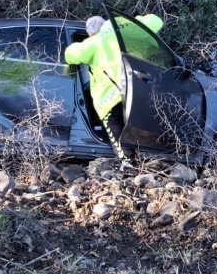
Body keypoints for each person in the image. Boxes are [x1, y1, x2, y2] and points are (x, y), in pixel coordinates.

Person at [65, 14, 164, 167]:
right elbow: (157, 21)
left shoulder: (94, 42)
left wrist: (79, 44)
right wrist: (133, 20)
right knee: (134, 120)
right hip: (139, 86)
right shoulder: (124, 31)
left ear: (91, 33)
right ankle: (149, 153)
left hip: (113, 93)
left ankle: (127, 162)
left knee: (112, 121)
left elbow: (72, 55)